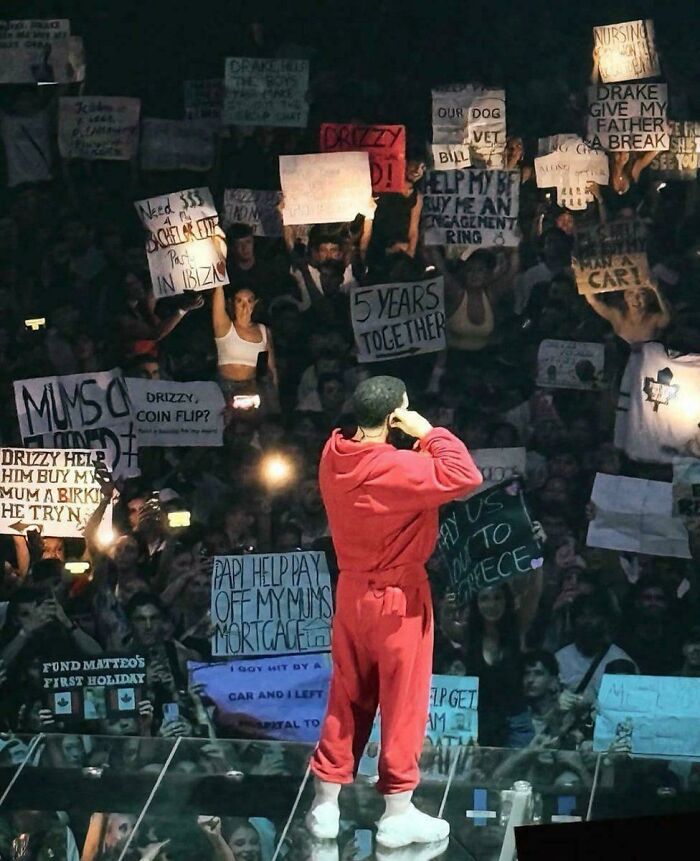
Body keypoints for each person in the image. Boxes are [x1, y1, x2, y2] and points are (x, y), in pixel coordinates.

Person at [306, 375, 482, 847]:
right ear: (394, 418)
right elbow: (465, 475)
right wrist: (428, 432)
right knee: (403, 703)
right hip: (397, 598)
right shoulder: (397, 466)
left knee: (346, 698)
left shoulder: (332, 453)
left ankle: (325, 804)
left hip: (350, 592)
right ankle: (397, 813)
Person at [211, 283, 278, 404]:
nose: (244, 306)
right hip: (225, 388)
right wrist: (219, 278)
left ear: (255, 304)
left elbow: (271, 368)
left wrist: (275, 400)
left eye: (249, 301)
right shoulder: (224, 327)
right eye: (239, 301)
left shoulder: (263, 330)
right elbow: (218, 300)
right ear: (232, 303)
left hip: (251, 389)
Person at [583, 283, 671, 344]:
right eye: (630, 293)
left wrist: (657, 290)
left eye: (642, 294)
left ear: (650, 299)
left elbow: (668, 316)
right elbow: (594, 301)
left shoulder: (655, 319)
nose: (635, 298)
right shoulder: (618, 317)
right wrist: (583, 276)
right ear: (625, 297)